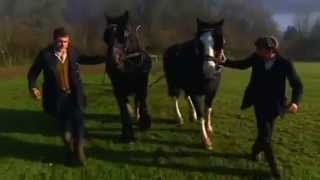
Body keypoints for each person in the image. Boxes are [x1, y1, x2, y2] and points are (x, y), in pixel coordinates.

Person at [222, 36, 303, 177]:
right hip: (259, 102)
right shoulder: (256, 58)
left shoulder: (284, 63)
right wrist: (224, 62)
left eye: (260, 49)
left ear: (271, 50)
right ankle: (275, 170)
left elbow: (297, 85)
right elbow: (241, 65)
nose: (257, 51)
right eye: (257, 48)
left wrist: (295, 102)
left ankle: (254, 152)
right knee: (265, 136)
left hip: (276, 105)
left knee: (265, 134)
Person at [27, 27, 104, 166]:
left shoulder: (73, 51)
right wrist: (33, 86)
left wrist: (105, 57)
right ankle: (69, 148)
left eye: (66, 41)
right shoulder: (45, 55)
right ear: (54, 40)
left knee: (79, 120)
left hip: (75, 95)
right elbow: (33, 72)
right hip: (57, 98)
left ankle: (79, 148)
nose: (63, 45)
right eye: (60, 41)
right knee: (65, 131)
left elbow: (87, 59)